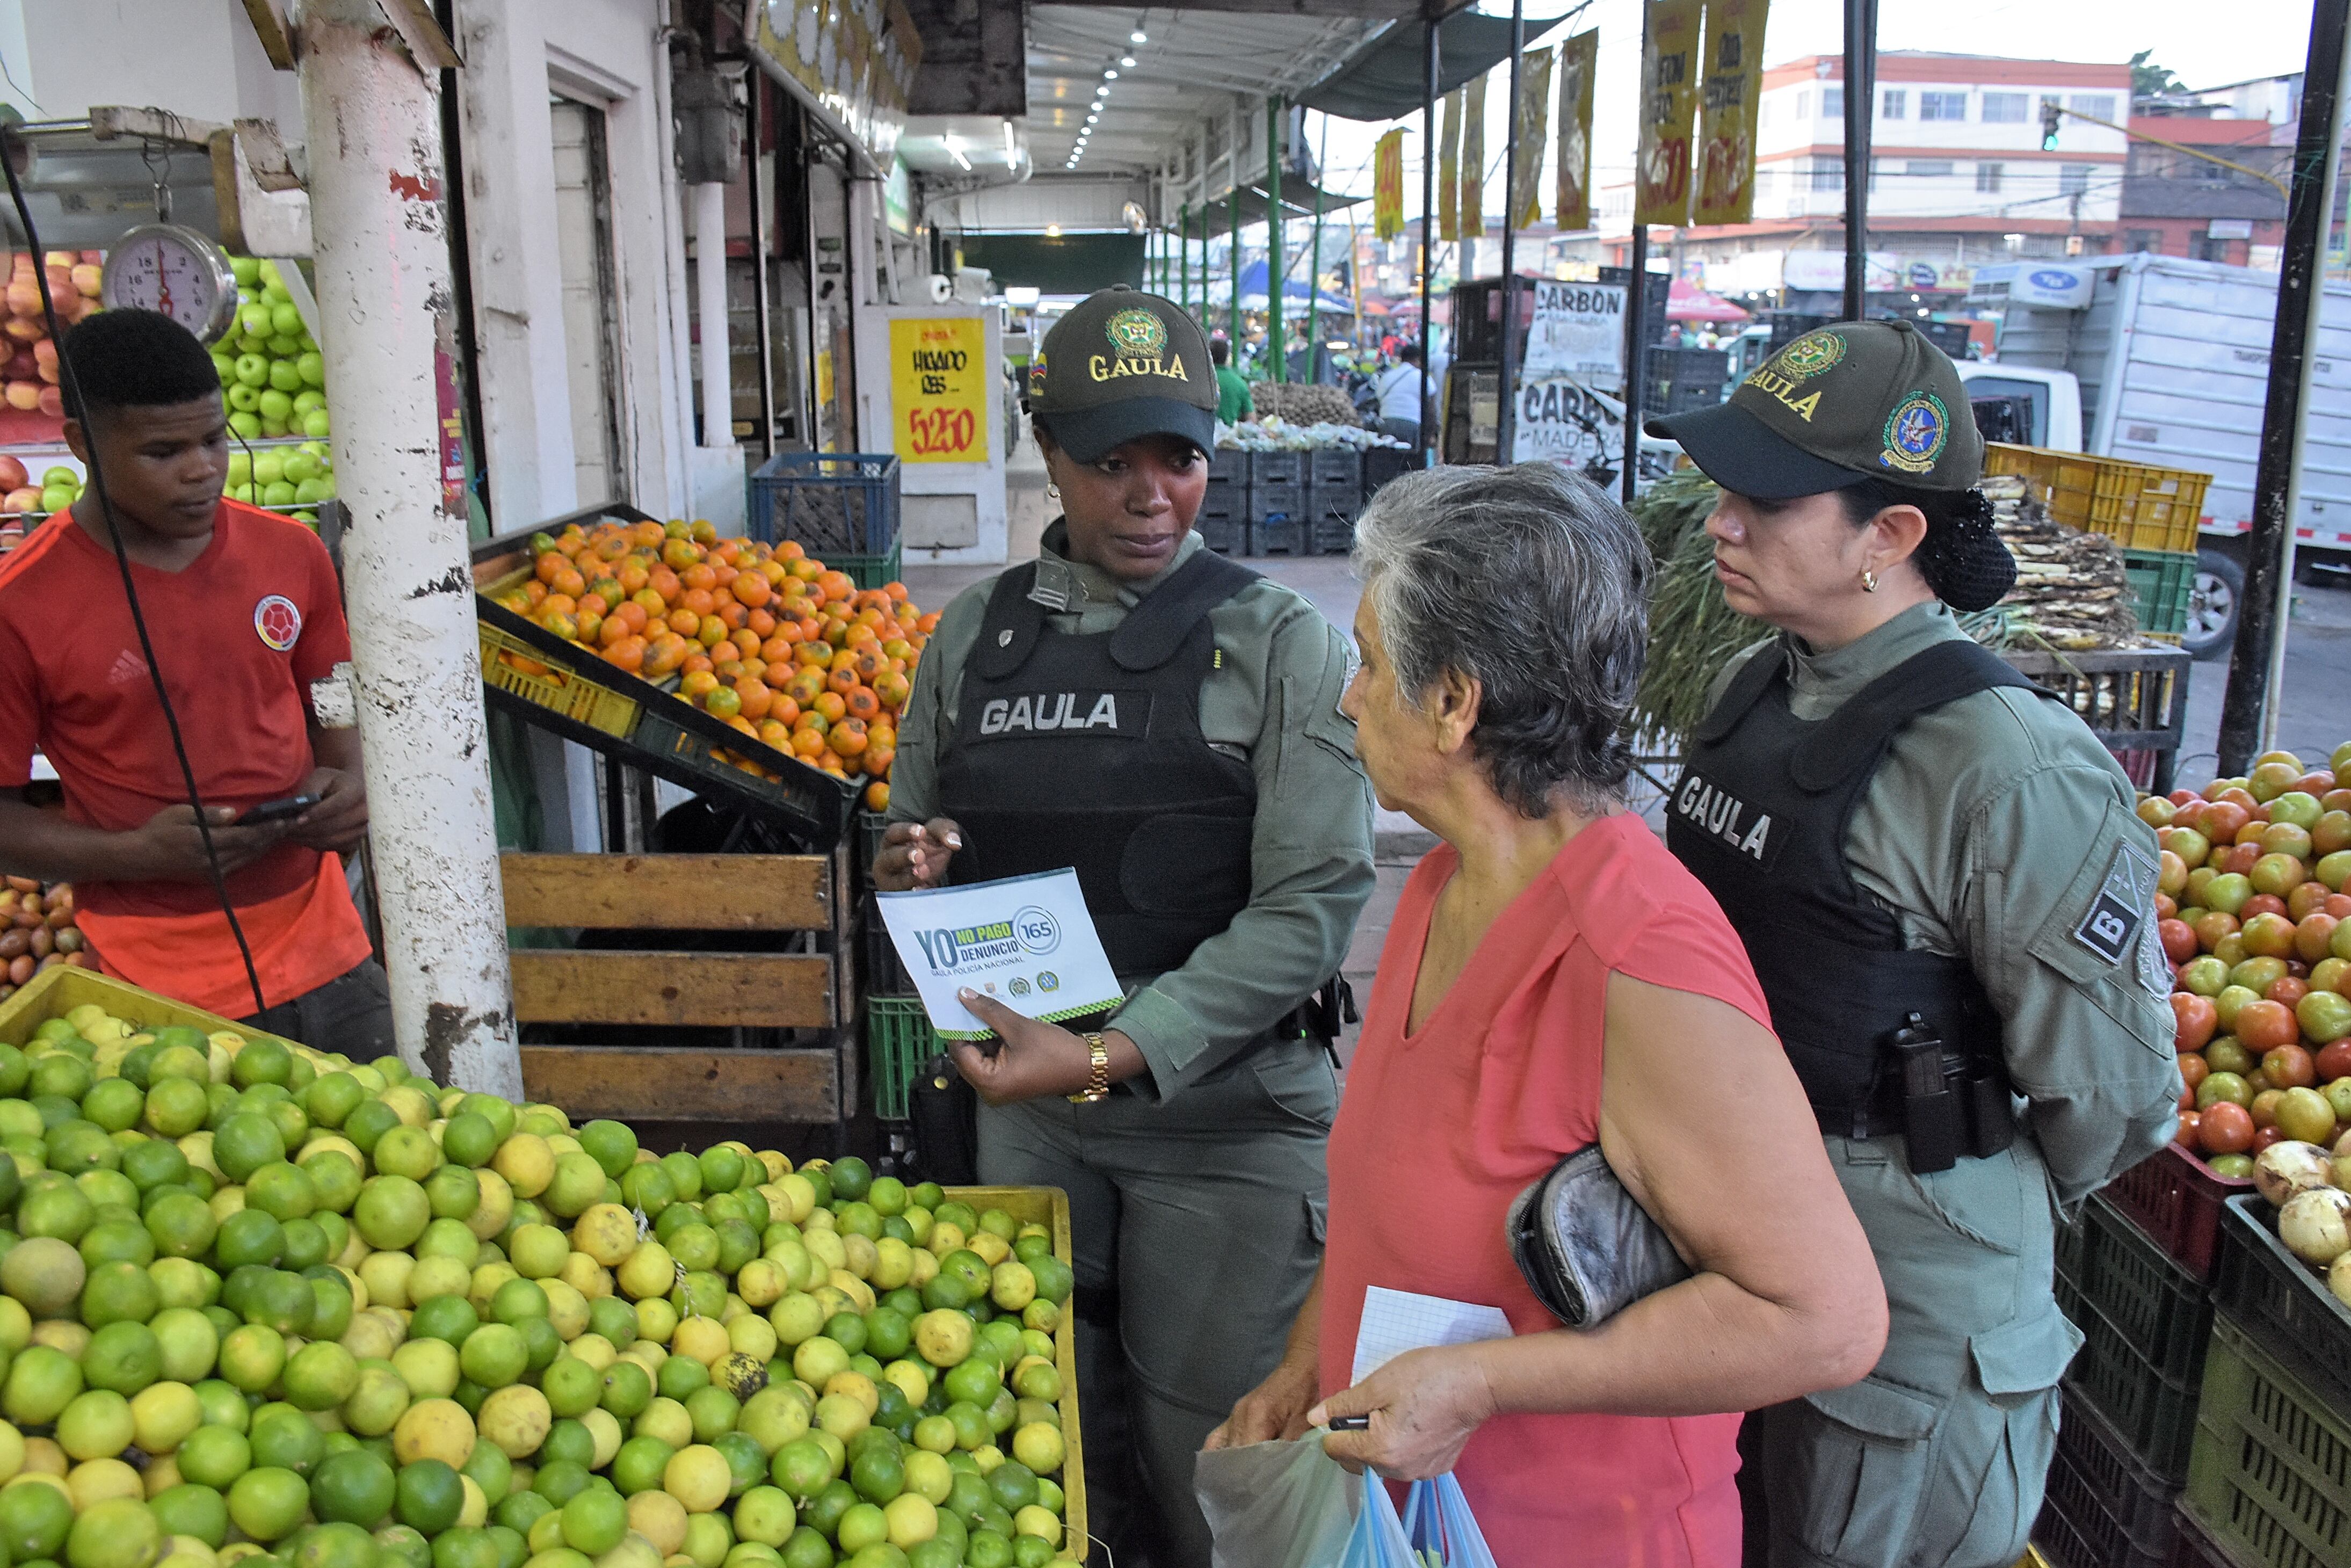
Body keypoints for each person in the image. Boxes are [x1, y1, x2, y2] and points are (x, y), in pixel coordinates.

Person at [1208, 462, 1888, 1565]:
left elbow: (1824, 1319)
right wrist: (1305, 1362)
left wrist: (1480, 1382)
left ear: (1452, 702)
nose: (1348, 697)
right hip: (1419, 1521)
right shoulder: (1443, 884)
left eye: (1369, 663)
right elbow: (1393, 1197)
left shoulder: (1637, 956)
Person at [1645, 319, 2180, 1568]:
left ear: (1888, 535)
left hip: (1909, 1316)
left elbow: (2112, 1095)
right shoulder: (1755, 688)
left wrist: (1935, 1175)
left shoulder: (2007, 767)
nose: (1720, 523)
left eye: (1762, 499)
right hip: (1736, 1237)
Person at [875, 285, 1375, 1565]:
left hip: (1226, 1128)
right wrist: (916, 869)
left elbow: (1310, 909)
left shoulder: (1280, 644)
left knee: (1205, 1454)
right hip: (1032, 1116)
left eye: (1180, 458)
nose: (1151, 495)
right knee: (1041, 1429)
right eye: (1110, 463)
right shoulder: (972, 636)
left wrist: (1107, 1053)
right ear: (1046, 453)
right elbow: (915, 833)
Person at [0, 308, 386, 1050]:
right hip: (154, 982)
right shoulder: (21, 606)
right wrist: (136, 855)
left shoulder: (291, 553)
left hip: (331, 953)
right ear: (82, 444)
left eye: (213, 439)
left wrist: (348, 782)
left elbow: (333, 703)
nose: (202, 468)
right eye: (163, 451)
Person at [1372, 344, 1426, 447]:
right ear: (1418, 359)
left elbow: (1379, 397)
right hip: (1412, 424)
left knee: (1387, 454)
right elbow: (1431, 408)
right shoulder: (1422, 377)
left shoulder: (1388, 376)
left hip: (1386, 423)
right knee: (1410, 455)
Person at [1209, 335, 1253, 426]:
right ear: (1226, 357)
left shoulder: (1200, 379)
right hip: (1229, 433)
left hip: (1202, 431)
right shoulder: (1240, 383)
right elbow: (1251, 418)